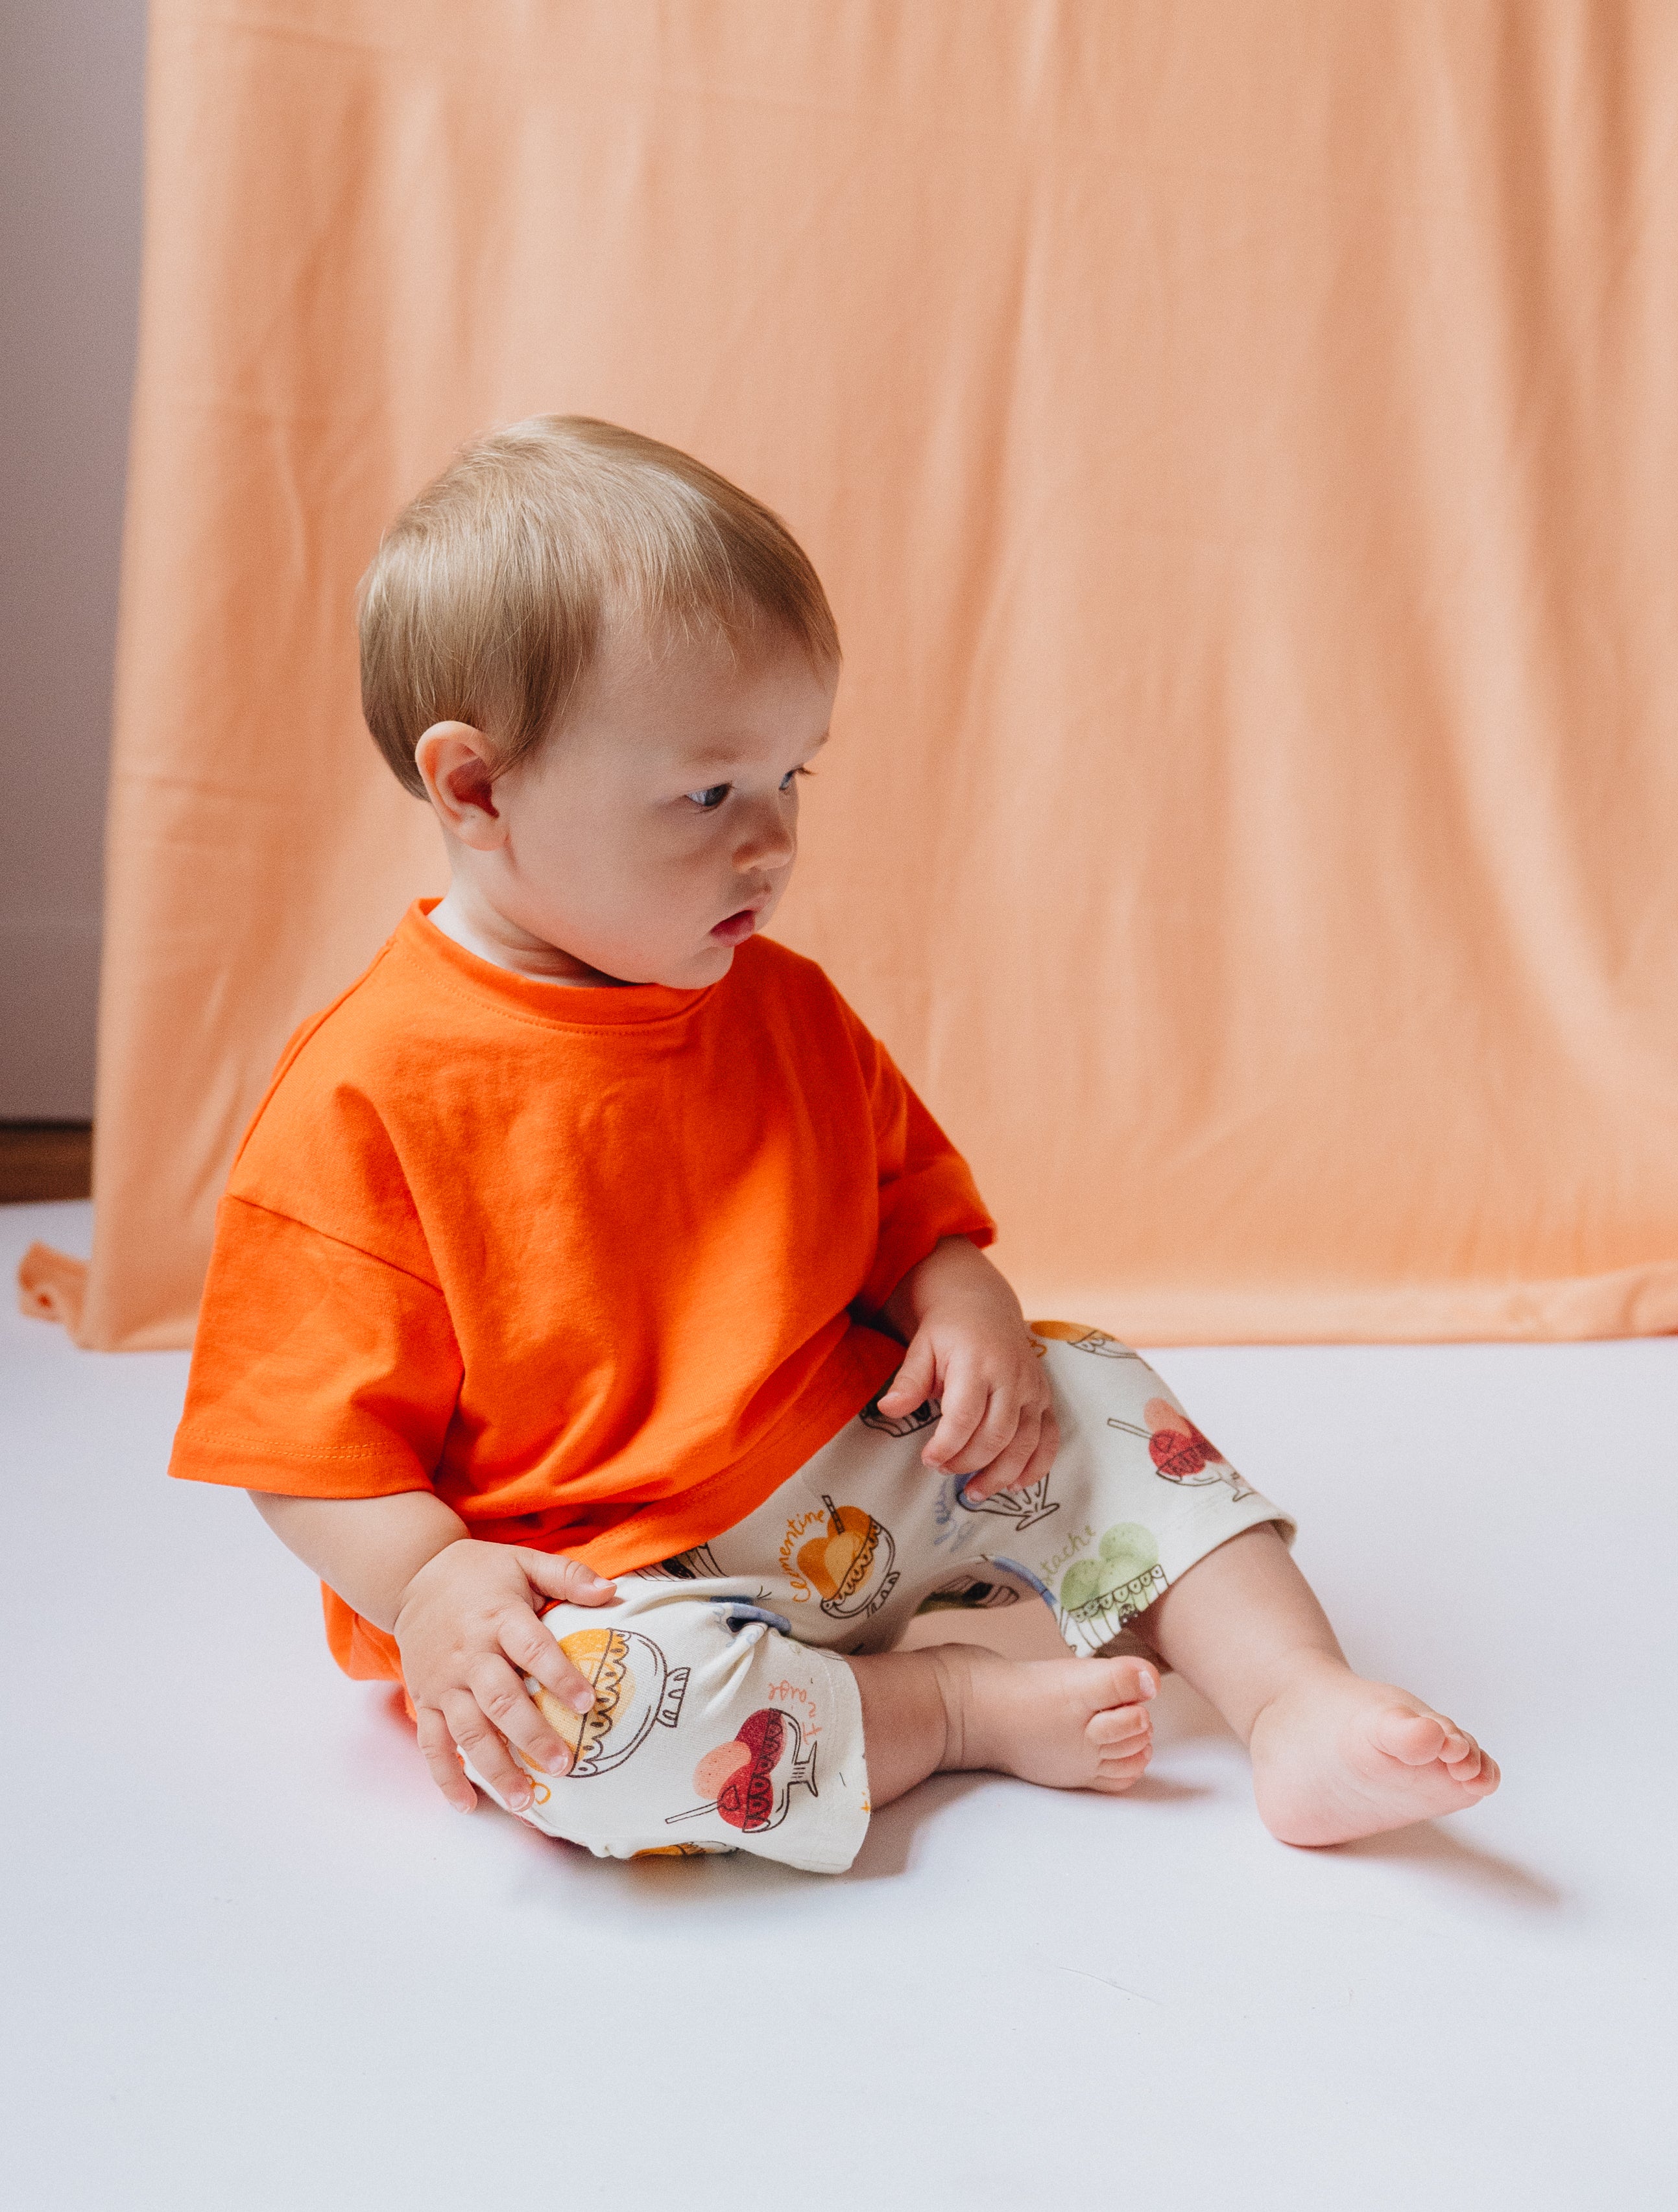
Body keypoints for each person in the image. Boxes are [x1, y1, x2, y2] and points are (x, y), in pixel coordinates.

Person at [169, 417, 1498, 1872]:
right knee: (575, 1721)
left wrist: (966, 1306)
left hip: (855, 1471)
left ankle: (1291, 1697)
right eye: (708, 793)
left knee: (1089, 1385)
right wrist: (430, 1581)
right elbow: (304, 1452)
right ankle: (940, 1707)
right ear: (477, 790)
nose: (771, 842)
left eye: (792, 779)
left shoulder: (780, 1002)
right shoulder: (366, 1093)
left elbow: (907, 1211)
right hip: (609, 1573)